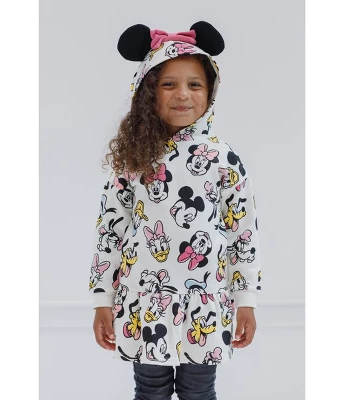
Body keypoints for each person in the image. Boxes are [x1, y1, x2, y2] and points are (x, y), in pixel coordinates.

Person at [88, 21, 262, 400]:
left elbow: (243, 232)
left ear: (210, 91)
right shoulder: (132, 160)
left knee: (199, 391)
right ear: (147, 92)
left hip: (207, 302)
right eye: (169, 84)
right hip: (143, 300)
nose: (183, 94)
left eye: (194, 84)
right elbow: (110, 231)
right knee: (150, 391)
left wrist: (246, 299)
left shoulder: (223, 158)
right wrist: (103, 299)